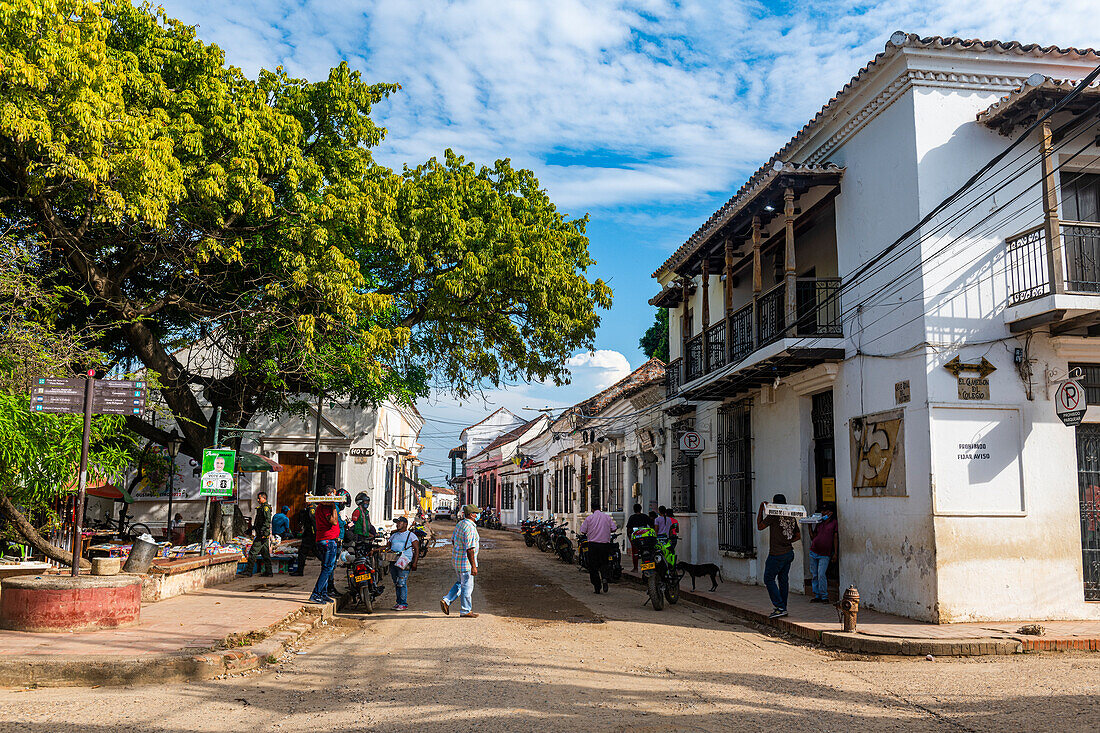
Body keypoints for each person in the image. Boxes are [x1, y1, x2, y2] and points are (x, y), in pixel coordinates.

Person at [757, 493, 801, 619]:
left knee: (768, 579)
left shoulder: (773, 516)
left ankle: (780, 607)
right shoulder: (791, 516)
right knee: (783, 580)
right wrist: (787, 541)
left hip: (776, 554)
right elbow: (797, 536)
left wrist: (761, 509)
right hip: (789, 553)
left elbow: (760, 526)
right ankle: (783, 607)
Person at [441, 504, 480, 618]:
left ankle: (447, 600)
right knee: (467, 586)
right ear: (471, 515)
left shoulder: (460, 524)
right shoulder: (470, 528)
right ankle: (465, 610)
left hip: (457, 560)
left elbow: (453, 540)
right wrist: (473, 566)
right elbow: (470, 548)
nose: (477, 515)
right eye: (476, 513)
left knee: (460, 582)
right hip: (465, 562)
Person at [578, 499, 617, 594]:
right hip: (605, 545)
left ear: (592, 509)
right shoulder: (607, 517)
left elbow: (583, 531)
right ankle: (604, 578)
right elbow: (614, 528)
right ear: (600, 507)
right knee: (604, 563)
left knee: (593, 567)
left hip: (593, 545)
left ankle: (597, 586)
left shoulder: (589, 518)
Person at [309, 490, 341, 604]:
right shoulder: (326, 507)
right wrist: (333, 506)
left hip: (324, 540)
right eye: (333, 494)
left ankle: (323, 593)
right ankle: (316, 594)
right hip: (328, 541)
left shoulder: (320, 507)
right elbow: (334, 522)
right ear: (329, 495)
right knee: (328, 568)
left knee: (326, 568)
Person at [808, 502, 839, 603]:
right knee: (815, 574)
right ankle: (817, 595)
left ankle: (824, 596)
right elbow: (813, 537)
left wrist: (835, 553)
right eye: (822, 511)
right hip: (814, 551)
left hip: (825, 554)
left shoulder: (834, 523)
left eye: (825, 511)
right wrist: (809, 526)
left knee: (821, 574)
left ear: (830, 512)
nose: (823, 513)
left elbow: (835, 537)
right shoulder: (819, 522)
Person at [388, 516, 419, 611]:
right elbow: (387, 547)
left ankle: (403, 603)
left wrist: (415, 562)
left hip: (404, 561)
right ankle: (399, 602)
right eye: (397, 523)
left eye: (400, 522)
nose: (398, 524)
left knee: (402, 582)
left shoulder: (411, 535)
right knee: (396, 582)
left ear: (405, 524)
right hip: (393, 561)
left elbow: (417, 549)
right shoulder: (393, 535)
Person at [245, 491, 273, 577]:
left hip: (262, 534)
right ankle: (269, 571)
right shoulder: (261, 508)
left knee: (253, 552)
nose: (257, 500)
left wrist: (263, 530)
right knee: (265, 553)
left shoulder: (265, 508)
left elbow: (267, 520)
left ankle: (248, 571)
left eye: (259, 498)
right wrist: (252, 528)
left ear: (264, 498)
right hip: (262, 533)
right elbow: (259, 522)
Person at [626, 503, 652, 571]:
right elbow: (652, 525)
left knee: (635, 553)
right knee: (646, 552)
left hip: (635, 538)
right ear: (641, 509)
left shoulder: (632, 517)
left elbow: (628, 529)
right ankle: (646, 568)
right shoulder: (645, 516)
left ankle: (635, 568)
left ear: (634, 510)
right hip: (645, 538)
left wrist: (629, 537)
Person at [291, 502, 315, 577]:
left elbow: (313, 522)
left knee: (302, 553)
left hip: (310, 535)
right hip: (310, 535)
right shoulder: (308, 509)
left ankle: (300, 571)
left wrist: (314, 533)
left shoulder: (311, 509)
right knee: (315, 552)